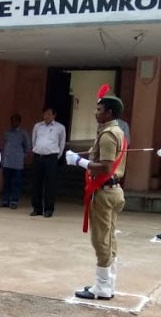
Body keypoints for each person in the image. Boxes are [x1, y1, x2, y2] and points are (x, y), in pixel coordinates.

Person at [64, 88, 127, 300]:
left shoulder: (109, 135)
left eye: (99, 109)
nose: (95, 112)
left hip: (104, 191)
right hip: (113, 190)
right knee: (109, 237)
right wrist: (82, 155)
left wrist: (79, 162)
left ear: (108, 113)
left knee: (101, 239)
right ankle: (110, 281)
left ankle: (102, 286)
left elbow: (106, 166)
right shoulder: (116, 131)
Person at [30, 107, 66, 217]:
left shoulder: (60, 128)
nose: (46, 116)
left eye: (49, 114)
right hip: (38, 157)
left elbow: (62, 143)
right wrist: (37, 150)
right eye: (45, 114)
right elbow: (34, 140)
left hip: (51, 158)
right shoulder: (37, 126)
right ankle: (37, 208)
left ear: (54, 115)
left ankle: (49, 209)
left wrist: (57, 156)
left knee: (50, 184)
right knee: (36, 183)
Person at [0, 113, 31, 209]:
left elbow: (27, 146)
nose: (13, 123)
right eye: (11, 121)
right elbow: (5, 145)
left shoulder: (23, 133)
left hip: (17, 163)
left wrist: (22, 155)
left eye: (15, 121)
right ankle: (5, 200)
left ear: (19, 122)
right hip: (7, 161)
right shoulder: (7, 132)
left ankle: (14, 201)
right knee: (6, 182)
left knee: (16, 183)